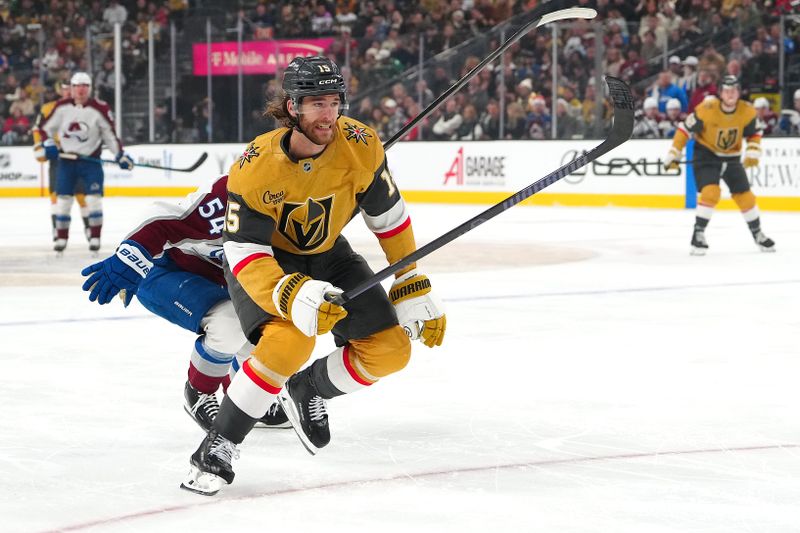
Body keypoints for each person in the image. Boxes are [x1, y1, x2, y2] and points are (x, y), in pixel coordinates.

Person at [181, 55, 446, 496]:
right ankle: (218, 445)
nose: (329, 114)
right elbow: (243, 247)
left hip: (327, 254)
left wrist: (409, 278)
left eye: (334, 102)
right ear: (292, 108)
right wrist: (288, 292)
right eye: (316, 104)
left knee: (391, 351)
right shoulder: (255, 165)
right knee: (290, 340)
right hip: (265, 262)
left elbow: (389, 218)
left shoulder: (360, 143)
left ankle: (307, 389)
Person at [79, 174, 289, 432]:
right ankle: (199, 392)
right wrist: (132, 256)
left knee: (268, 324)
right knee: (230, 323)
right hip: (165, 270)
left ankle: (242, 394)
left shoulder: (313, 202)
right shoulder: (237, 192)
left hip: (224, 279)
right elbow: (164, 220)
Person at [664, 75, 775, 255]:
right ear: (720, 93)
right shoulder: (707, 108)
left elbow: (755, 132)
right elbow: (684, 128)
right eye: (727, 91)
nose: (730, 94)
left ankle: (758, 234)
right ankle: (698, 235)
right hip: (706, 154)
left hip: (732, 157)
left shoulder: (747, 111)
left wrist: (753, 149)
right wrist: (674, 152)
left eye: (734, 91)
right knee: (711, 192)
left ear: (739, 92)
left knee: (746, 198)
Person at [39, 72, 134, 253]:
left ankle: (95, 236)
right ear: (72, 88)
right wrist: (49, 143)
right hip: (66, 161)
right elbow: (46, 129)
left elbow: (109, 135)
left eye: (85, 86)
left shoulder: (100, 108)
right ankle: (61, 237)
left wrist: (119, 154)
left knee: (94, 200)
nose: (81, 90)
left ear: (89, 88)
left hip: (91, 162)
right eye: (77, 86)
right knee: (63, 201)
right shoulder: (61, 107)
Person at [33, 81, 94, 243]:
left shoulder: (85, 108)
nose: (67, 92)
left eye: (70, 89)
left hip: (78, 157)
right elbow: (37, 130)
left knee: (82, 196)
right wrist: (40, 146)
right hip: (58, 158)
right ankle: (57, 229)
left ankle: (89, 229)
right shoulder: (48, 108)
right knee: (56, 196)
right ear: (59, 90)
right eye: (65, 89)